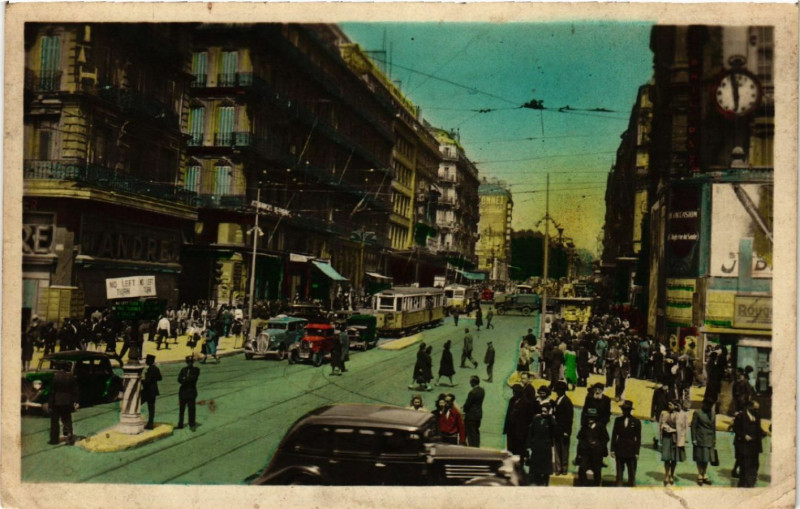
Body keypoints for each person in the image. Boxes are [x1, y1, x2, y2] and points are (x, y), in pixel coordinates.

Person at [733, 399, 764, 487]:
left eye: (757, 409)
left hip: (754, 446)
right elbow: (736, 428)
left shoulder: (757, 416)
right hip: (743, 445)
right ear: (749, 407)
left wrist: (762, 433)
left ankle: (751, 483)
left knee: (754, 465)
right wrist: (744, 435)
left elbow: (758, 428)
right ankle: (743, 485)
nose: (756, 411)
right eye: (755, 409)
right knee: (744, 466)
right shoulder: (741, 416)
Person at [48, 361, 80, 445]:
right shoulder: (70, 377)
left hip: (56, 401)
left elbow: (52, 392)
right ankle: (69, 436)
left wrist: (50, 404)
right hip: (67, 401)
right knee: (67, 419)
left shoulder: (55, 377)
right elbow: (75, 390)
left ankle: (54, 440)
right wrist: (76, 401)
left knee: (54, 422)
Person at [610, 400, 641, 486]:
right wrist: (612, 450)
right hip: (620, 448)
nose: (625, 411)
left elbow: (638, 438)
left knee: (631, 474)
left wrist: (637, 452)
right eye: (623, 409)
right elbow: (614, 435)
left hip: (631, 450)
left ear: (630, 410)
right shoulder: (618, 420)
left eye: (627, 409)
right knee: (619, 474)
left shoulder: (636, 421)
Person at [576, 407, 609, 486]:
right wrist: (579, 454)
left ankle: (596, 486)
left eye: (592, 417)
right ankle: (583, 485)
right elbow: (580, 439)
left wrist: (598, 446)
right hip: (586, 453)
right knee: (581, 470)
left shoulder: (600, 427)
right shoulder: (584, 427)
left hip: (596, 453)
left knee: (597, 471)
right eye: (588, 417)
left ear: (596, 418)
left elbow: (605, 439)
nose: (590, 419)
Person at [527, 401, 555, 486]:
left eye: (545, 412)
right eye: (542, 411)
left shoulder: (551, 421)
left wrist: (550, 416)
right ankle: (534, 482)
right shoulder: (536, 419)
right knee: (535, 468)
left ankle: (545, 483)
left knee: (545, 469)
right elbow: (530, 433)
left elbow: (555, 430)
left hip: (545, 448)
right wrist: (529, 446)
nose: (543, 413)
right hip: (536, 447)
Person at [659, 400, 685, 485]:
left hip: (676, 438)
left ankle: (672, 475)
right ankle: (666, 475)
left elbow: (683, 428)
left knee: (674, 459)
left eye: (670, 404)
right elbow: (661, 424)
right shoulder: (664, 413)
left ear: (675, 405)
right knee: (666, 458)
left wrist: (675, 431)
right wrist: (666, 427)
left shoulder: (681, 415)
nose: (668, 405)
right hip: (667, 437)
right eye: (668, 404)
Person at [691, 398, 716, 486]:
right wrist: (693, 439)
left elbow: (713, 427)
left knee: (706, 458)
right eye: (708, 405)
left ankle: (704, 473)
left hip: (709, 438)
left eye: (711, 405)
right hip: (700, 438)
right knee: (699, 457)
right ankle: (699, 474)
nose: (709, 407)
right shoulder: (697, 413)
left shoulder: (713, 413)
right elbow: (693, 426)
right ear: (704, 404)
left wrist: (714, 439)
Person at [552, 381, 574, 475]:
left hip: (564, 430)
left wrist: (567, 431)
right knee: (557, 450)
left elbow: (569, 419)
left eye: (559, 390)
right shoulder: (557, 400)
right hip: (557, 429)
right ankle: (558, 468)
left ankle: (564, 468)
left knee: (564, 450)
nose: (557, 392)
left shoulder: (567, 402)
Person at [503, 384, 527, 458]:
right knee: (510, 449)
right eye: (513, 391)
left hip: (519, 431)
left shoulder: (525, 402)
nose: (513, 393)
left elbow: (526, 418)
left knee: (519, 450)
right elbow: (508, 413)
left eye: (515, 391)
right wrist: (506, 428)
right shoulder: (512, 400)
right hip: (511, 429)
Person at [177, 355, 200, 430]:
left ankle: (192, 424)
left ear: (193, 362)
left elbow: (193, 379)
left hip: (191, 392)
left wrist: (185, 379)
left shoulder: (196, 370)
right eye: (188, 362)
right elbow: (179, 379)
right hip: (183, 392)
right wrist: (185, 379)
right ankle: (180, 423)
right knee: (181, 409)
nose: (189, 363)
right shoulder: (183, 370)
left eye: (191, 362)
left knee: (191, 409)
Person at [462, 375, 485, 447]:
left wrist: (464, 409)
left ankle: (472, 447)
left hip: (471, 416)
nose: (470, 383)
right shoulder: (482, 390)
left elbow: (468, 404)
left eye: (470, 382)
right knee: (476, 431)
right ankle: (477, 445)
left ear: (473, 382)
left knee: (471, 434)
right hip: (478, 414)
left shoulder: (472, 392)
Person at [141, 354, 162, 430]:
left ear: (150, 361)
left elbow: (147, 381)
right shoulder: (156, 368)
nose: (146, 361)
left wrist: (141, 381)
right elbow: (160, 378)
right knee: (151, 408)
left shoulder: (150, 369)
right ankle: (150, 423)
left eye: (147, 360)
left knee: (137, 403)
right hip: (154, 390)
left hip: (147, 390)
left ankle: (145, 422)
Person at [650, 384, 670, 449]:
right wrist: (652, 415)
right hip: (659, 413)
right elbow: (653, 403)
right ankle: (656, 440)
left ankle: (664, 443)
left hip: (668, 413)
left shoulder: (671, 391)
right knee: (658, 429)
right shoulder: (657, 392)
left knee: (666, 429)